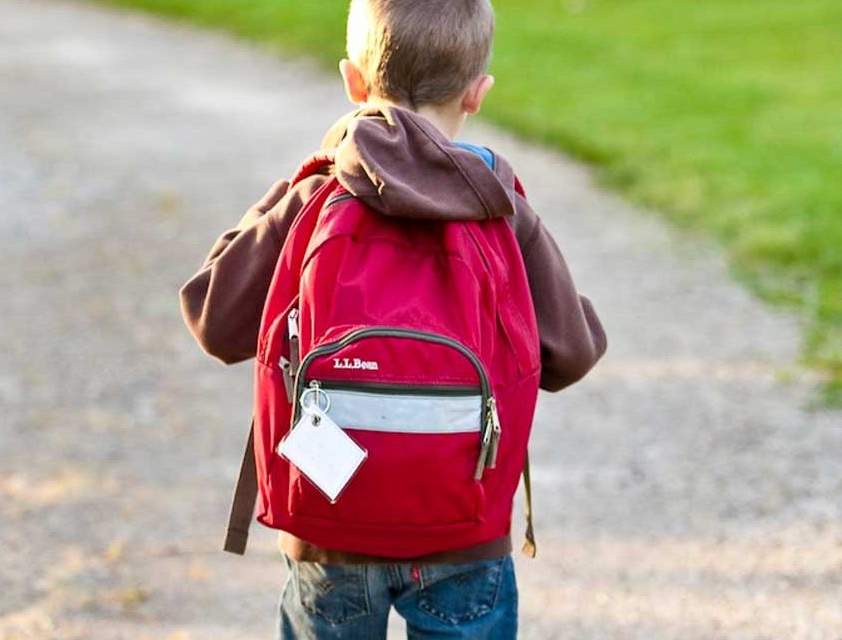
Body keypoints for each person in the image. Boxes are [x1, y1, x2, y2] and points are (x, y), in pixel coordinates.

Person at [179, 1, 607, 637]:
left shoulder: (319, 195)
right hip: (463, 530)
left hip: (330, 527)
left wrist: (300, 180)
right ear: (477, 93)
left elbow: (215, 317)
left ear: (353, 83)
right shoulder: (498, 205)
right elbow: (571, 354)